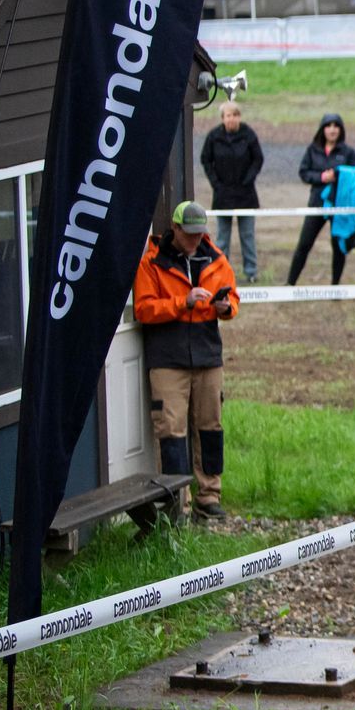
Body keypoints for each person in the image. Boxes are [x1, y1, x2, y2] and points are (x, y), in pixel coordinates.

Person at [133, 201, 240, 519]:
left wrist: (227, 309)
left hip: (208, 355)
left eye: (199, 234)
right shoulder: (151, 263)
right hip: (168, 359)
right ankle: (176, 502)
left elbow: (233, 296)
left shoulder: (217, 259)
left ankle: (209, 495)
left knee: (210, 428)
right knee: (171, 432)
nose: (195, 239)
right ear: (175, 229)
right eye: (189, 234)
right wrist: (184, 302)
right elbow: (144, 309)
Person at [284, 113, 355, 285]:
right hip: (317, 203)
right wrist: (321, 177)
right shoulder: (313, 149)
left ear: (341, 129)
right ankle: (290, 283)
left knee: (338, 246)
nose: (332, 130)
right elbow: (304, 172)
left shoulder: (348, 152)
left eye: (336, 126)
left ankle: (335, 286)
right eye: (328, 126)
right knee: (304, 244)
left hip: (339, 206)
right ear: (322, 129)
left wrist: (338, 175)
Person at [200, 100, 263, 283]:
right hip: (223, 194)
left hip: (245, 193)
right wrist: (216, 183)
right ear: (223, 118)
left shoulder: (248, 134)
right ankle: (221, 271)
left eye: (235, 115)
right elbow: (205, 160)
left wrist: (248, 180)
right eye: (229, 116)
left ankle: (251, 272)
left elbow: (258, 159)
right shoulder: (214, 137)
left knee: (247, 235)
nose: (232, 119)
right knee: (222, 237)